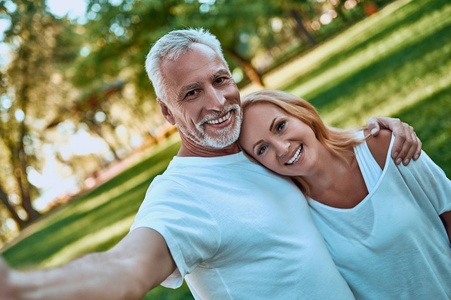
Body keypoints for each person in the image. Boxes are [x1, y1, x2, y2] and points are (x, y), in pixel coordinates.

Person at [0, 28, 422, 300]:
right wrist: (22, 287)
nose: (216, 103)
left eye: (220, 80)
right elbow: (125, 267)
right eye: (191, 93)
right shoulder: (180, 196)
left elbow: (314, 143)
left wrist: (382, 133)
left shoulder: (257, 148)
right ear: (168, 113)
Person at [238, 89, 451, 300]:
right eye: (262, 149)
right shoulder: (296, 216)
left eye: (280, 126)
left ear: (302, 113)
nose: (282, 148)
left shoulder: (385, 147)